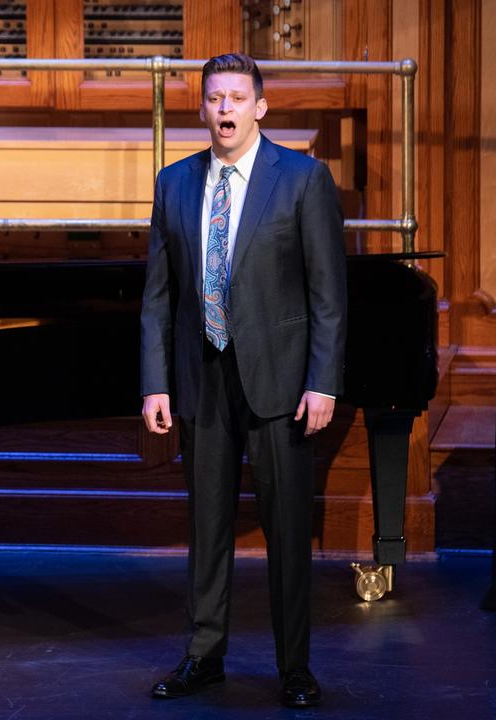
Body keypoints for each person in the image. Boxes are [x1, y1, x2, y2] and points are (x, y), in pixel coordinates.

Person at [139, 53, 346, 708]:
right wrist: (156, 382)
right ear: (201, 109)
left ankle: (295, 669)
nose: (224, 108)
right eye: (213, 97)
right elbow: (157, 298)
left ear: (260, 107)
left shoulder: (303, 180)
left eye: (235, 96)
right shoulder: (173, 184)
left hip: (282, 383)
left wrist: (324, 382)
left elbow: (328, 297)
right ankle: (204, 655)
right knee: (208, 527)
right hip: (202, 377)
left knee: (287, 529)